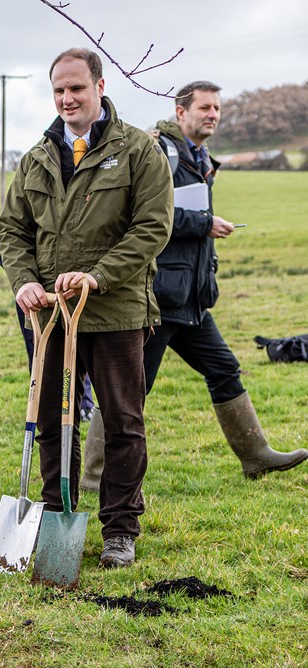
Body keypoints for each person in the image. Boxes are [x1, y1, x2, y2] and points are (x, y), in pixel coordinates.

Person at [0, 48, 173, 569]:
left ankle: (121, 528)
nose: (68, 98)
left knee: (123, 421)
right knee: (53, 420)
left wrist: (98, 276)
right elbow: (13, 231)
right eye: (59, 90)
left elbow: (153, 227)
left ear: (99, 85)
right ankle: (55, 515)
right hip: (50, 315)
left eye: (76, 88)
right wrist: (24, 281)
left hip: (116, 310)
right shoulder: (37, 157)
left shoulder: (139, 150)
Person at [142, 81, 306, 478]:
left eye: (217, 108)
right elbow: (147, 217)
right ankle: (95, 474)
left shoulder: (199, 157)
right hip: (160, 297)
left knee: (224, 369)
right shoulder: (159, 153)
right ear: (181, 113)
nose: (213, 114)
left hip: (193, 297)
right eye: (205, 108)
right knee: (129, 390)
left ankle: (256, 455)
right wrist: (204, 223)